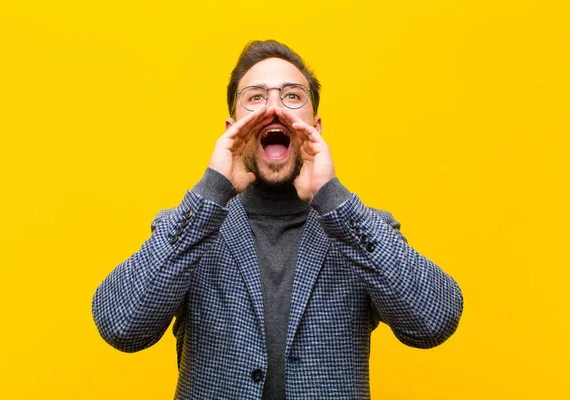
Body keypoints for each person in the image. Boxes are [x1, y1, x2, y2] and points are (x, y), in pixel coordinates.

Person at [92, 40, 463, 400]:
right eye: (255, 97)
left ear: (315, 127)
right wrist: (212, 191)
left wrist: (333, 198)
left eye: (291, 96)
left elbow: (435, 321)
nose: (274, 110)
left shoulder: (360, 228)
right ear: (231, 128)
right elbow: (121, 326)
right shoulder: (190, 225)